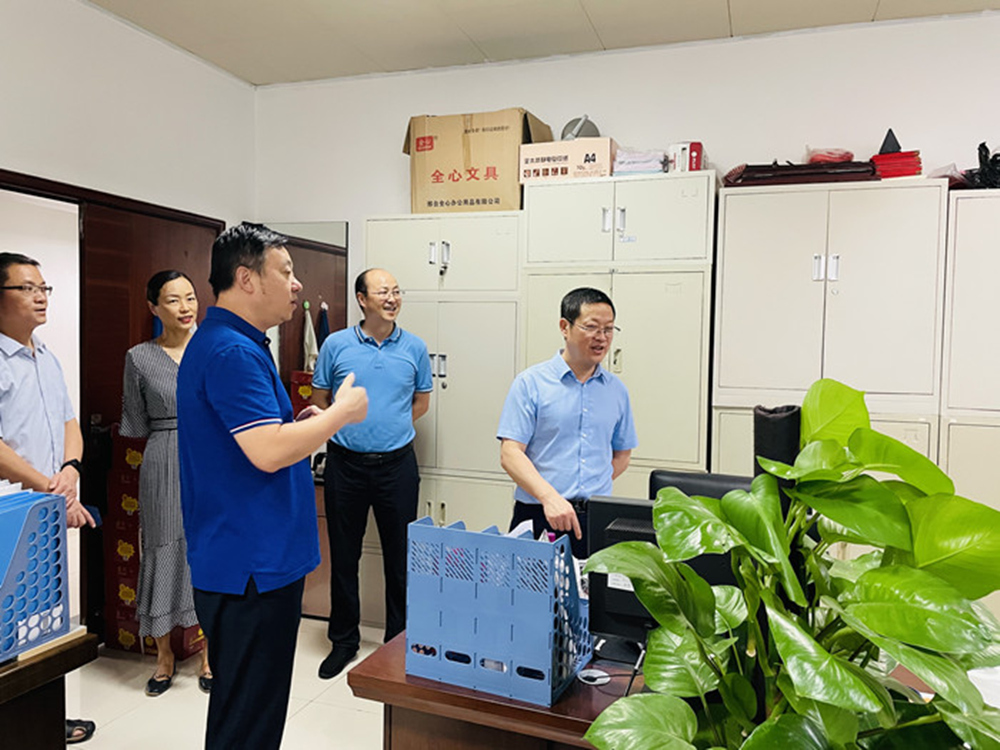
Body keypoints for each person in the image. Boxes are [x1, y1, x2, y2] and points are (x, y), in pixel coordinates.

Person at [177, 223, 367, 749]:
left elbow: (256, 439)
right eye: (286, 271)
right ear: (247, 279)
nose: (297, 284)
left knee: (245, 709)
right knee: (249, 720)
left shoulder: (231, 343)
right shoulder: (232, 353)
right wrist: (340, 414)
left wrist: (300, 425)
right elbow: (267, 451)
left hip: (245, 559)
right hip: (251, 567)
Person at [312, 268, 432, 680]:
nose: (392, 298)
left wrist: (389, 428)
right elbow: (321, 398)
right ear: (362, 299)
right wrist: (349, 429)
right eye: (383, 292)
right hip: (345, 465)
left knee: (401, 559)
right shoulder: (336, 344)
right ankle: (344, 641)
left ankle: (397, 641)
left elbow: (421, 402)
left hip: (397, 466)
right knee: (345, 557)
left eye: (396, 291)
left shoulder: (414, 347)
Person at [0, 252, 97, 744]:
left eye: (44, 288)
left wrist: (70, 472)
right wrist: (48, 485)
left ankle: (35, 722)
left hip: (42, 508)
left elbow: (68, 423)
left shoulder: (46, 356)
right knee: (4, 625)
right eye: (27, 288)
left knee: (33, 621)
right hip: (9, 511)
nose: (40, 297)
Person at [120, 270, 212, 696]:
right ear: (154, 308)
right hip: (162, 458)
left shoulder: (213, 348)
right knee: (161, 548)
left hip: (211, 457)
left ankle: (210, 655)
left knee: (208, 551)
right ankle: (164, 657)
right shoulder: (139, 357)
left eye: (190, 297)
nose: (185, 307)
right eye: (173, 300)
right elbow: (135, 422)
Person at [496, 287, 637, 558]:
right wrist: (550, 497)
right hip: (540, 512)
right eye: (591, 327)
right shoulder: (531, 383)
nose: (602, 337)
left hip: (594, 518)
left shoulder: (616, 390)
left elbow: (622, 455)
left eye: (609, 329)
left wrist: (590, 486)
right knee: (533, 586)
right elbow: (510, 454)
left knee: (593, 586)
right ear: (565, 327)